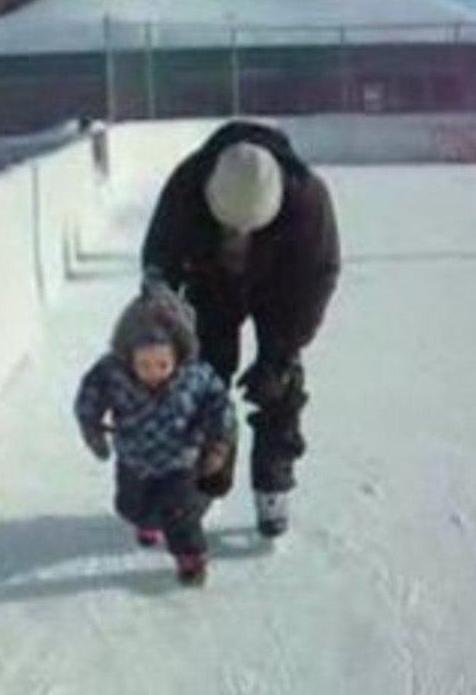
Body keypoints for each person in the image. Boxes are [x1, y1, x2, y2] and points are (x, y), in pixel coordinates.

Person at [141, 120, 341, 538]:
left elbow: (317, 280)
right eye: (230, 227)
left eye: (248, 228)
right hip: (210, 282)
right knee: (202, 379)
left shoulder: (308, 199)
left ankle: (273, 483)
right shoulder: (189, 181)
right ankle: (204, 480)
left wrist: (282, 353)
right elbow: (160, 255)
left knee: (280, 385)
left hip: (279, 286)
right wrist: (161, 305)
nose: (238, 237)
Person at [74, 284, 237, 585]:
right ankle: (147, 520)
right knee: (130, 506)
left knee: (179, 514)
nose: (153, 372)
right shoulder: (112, 373)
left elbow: (219, 404)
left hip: (180, 458)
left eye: (162, 364)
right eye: (144, 364)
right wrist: (92, 429)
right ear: (129, 357)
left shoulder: (195, 376)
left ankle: (191, 558)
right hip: (134, 457)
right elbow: (89, 396)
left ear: (177, 355)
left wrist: (217, 443)